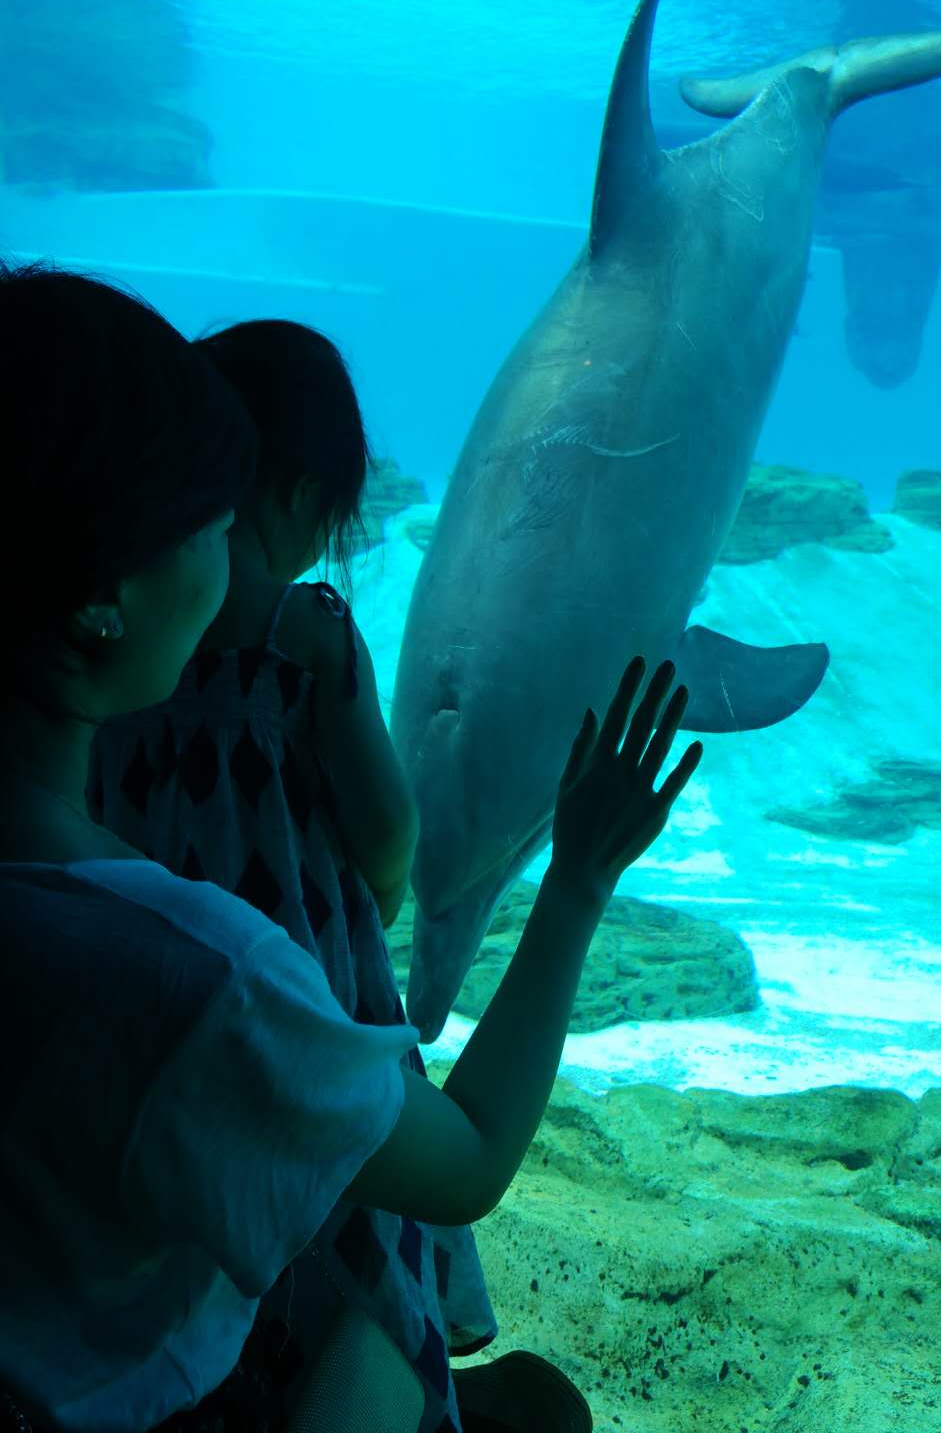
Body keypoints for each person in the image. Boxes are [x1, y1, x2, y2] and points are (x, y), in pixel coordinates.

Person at [0, 261, 704, 1432]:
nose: (241, 570)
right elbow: (469, 1160)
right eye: (213, 524)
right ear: (99, 605)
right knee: (523, 1406)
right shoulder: (205, 979)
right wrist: (577, 876)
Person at [86, 315, 563, 1431]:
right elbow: (390, 835)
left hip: (145, 982)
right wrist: (392, 890)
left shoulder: (118, 640)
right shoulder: (310, 638)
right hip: (298, 984)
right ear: (302, 496)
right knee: (349, 1214)